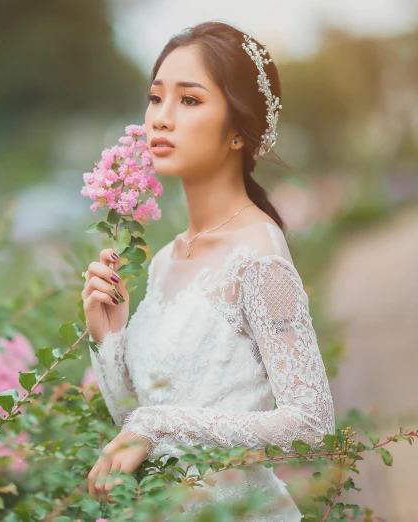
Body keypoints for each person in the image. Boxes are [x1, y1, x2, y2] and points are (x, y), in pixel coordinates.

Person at [81, 22, 335, 519]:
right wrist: (108, 336)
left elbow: (310, 422)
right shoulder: (163, 262)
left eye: (190, 100)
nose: (161, 118)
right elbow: (134, 423)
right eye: (156, 98)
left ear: (239, 129)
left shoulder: (258, 256)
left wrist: (157, 424)